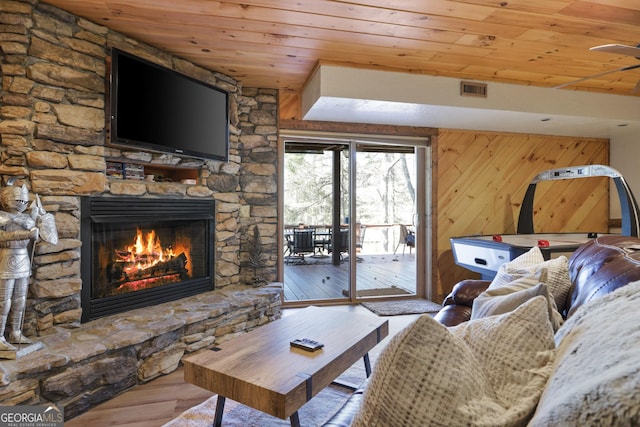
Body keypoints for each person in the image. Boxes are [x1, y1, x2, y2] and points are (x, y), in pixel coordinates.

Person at [0, 181, 41, 351]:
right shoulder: (2, 216)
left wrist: (36, 232)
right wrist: (26, 233)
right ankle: (0, 336)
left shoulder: (27, 218)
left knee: (20, 299)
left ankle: (15, 332)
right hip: (6, 258)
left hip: (23, 258)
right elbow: (2, 236)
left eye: (24, 201)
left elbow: (36, 233)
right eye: (19, 200)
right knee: (4, 301)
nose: (22, 204)